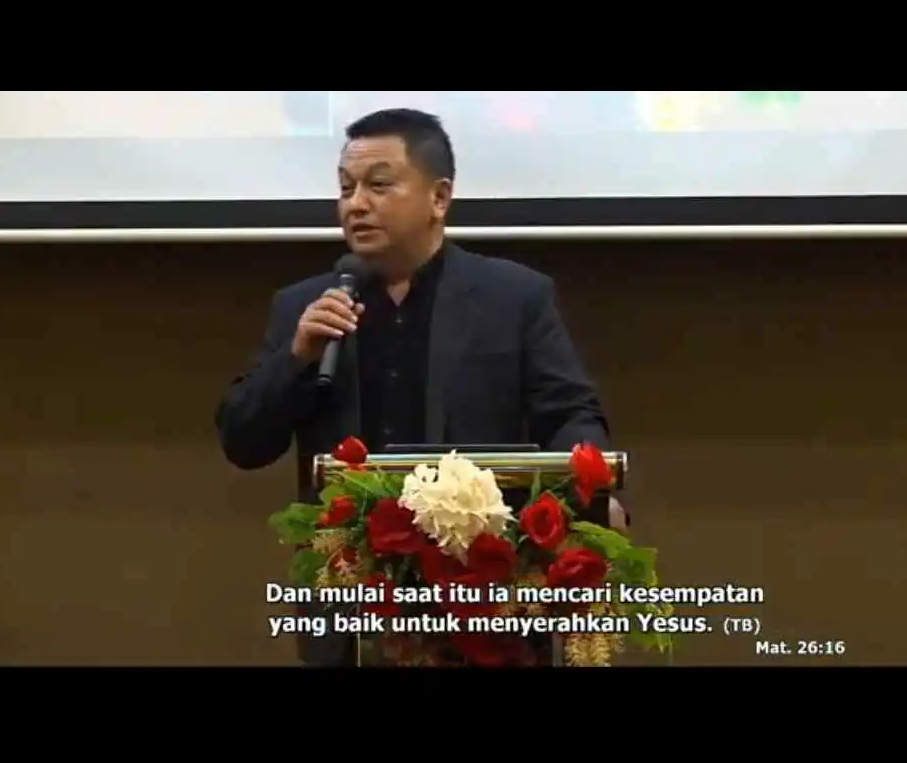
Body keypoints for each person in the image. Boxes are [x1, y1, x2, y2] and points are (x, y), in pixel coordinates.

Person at [215, 108, 624, 666]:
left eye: (379, 185)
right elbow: (244, 441)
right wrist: (297, 359)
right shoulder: (304, 307)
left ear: (439, 197)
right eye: (346, 188)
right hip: (352, 604)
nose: (356, 204)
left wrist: (592, 497)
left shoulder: (513, 298)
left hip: (487, 594)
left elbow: (571, 413)